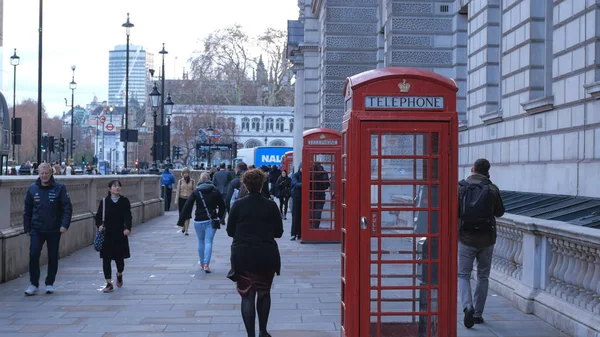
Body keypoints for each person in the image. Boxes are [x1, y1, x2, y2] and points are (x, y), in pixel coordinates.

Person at [227, 169, 284, 337]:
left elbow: (230, 231)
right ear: (262, 184)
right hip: (266, 254)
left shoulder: (238, 205)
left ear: (245, 184)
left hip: (242, 254)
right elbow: (279, 232)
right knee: (264, 292)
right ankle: (263, 331)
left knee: (247, 295)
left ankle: (250, 334)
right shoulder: (270, 205)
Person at [458, 158, 505, 328]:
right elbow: (500, 212)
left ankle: (467, 306)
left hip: (466, 238)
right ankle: (477, 314)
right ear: (487, 171)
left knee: (463, 275)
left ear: (472, 169)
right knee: (482, 276)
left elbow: (454, 212)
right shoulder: (492, 188)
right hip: (487, 239)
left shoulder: (461, 187)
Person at [23, 163, 73, 295]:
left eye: (46, 173)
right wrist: (26, 227)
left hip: (54, 229)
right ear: (38, 174)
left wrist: (64, 225)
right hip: (36, 229)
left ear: (51, 173)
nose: (44, 176)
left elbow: (67, 208)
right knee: (33, 254)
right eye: (41, 173)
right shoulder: (32, 189)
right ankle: (33, 283)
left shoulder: (60, 188)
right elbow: (27, 210)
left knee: (52, 256)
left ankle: (49, 283)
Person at [179, 172, 225, 273]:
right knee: (209, 242)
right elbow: (222, 205)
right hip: (211, 219)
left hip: (198, 220)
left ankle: (202, 262)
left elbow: (187, 206)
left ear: (200, 179)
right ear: (209, 179)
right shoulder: (215, 191)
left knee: (200, 241)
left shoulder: (196, 192)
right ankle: (206, 264)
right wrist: (220, 216)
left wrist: (181, 220)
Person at [95, 180, 132, 293]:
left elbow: (128, 217)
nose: (117, 188)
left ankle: (119, 274)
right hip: (107, 234)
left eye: (118, 186)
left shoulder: (124, 201)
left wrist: (127, 228)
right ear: (109, 188)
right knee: (106, 259)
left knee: (119, 260)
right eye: (114, 186)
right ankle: (109, 283)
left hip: (120, 234)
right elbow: (98, 217)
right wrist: (99, 226)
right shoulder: (105, 202)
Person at [175, 167, 196, 235]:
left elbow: (194, 191)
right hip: (181, 199)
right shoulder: (180, 181)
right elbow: (178, 191)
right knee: (182, 214)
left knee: (188, 215)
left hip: (189, 199)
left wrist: (195, 200)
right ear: (182, 174)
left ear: (189, 173)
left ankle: (186, 230)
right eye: (184, 173)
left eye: (187, 173)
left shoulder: (192, 181)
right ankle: (183, 227)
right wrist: (176, 200)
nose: (186, 174)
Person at [310, 162, 330, 229]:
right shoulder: (324, 173)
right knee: (318, 213)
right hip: (320, 195)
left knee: (310, 214)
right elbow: (326, 186)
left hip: (310, 196)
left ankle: (310, 228)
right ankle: (316, 228)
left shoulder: (310, 172)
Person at [290, 164, 302, 241]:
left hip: (305, 198)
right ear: (299, 168)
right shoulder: (295, 175)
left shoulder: (309, 175)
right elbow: (295, 183)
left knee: (302, 217)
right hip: (296, 198)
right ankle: (293, 233)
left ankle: (300, 233)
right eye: (302, 167)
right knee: (295, 216)